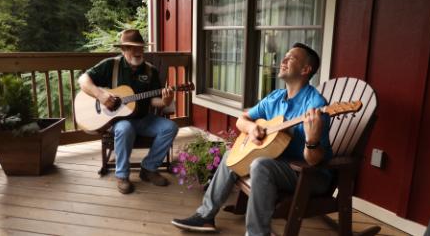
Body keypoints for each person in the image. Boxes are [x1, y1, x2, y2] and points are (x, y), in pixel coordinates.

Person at [171, 43, 333, 235]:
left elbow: (314, 161)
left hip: (308, 175)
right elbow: (242, 119)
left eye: (291, 58)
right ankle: (205, 216)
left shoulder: (316, 106)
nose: (283, 60)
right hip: (278, 162)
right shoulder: (275, 97)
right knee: (232, 155)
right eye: (285, 56)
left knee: (260, 165)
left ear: (306, 70)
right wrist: (252, 127)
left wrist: (312, 140)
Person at [78, 29, 178, 194]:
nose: (138, 51)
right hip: (118, 121)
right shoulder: (111, 65)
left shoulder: (150, 71)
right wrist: (101, 95)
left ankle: (149, 168)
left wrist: (165, 101)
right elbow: (83, 79)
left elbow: (154, 100)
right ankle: (122, 175)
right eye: (132, 48)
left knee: (170, 128)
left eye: (140, 47)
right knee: (125, 128)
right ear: (123, 49)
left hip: (144, 119)